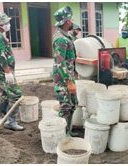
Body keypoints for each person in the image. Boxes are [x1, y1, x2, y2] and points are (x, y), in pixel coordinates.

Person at [0, 13, 24, 131]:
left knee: (5, 94)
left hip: (1, 71)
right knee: (16, 95)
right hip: (3, 72)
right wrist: (7, 71)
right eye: (6, 23)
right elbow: (1, 55)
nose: (8, 25)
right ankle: (10, 121)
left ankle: (3, 117)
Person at [52, 6, 78, 136]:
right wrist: (69, 82)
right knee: (65, 107)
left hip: (69, 76)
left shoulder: (65, 35)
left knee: (73, 104)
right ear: (67, 21)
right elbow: (60, 62)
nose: (72, 20)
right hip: (63, 79)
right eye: (71, 18)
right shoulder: (60, 39)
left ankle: (68, 131)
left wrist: (74, 33)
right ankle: (62, 136)